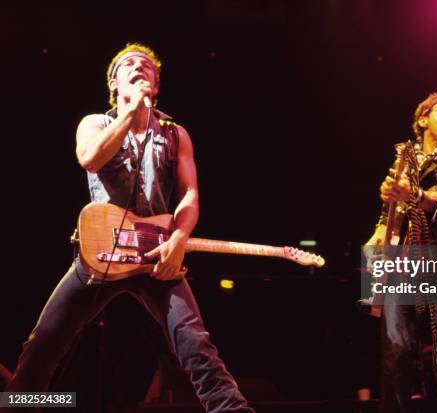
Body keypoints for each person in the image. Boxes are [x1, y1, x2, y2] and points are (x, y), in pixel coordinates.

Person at [6, 43, 254, 413]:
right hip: (100, 255)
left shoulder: (175, 134)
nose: (140, 67)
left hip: (156, 254)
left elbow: (190, 196)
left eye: (148, 67)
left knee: (196, 346)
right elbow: (89, 159)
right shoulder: (95, 123)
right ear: (114, 82)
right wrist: (130, 114)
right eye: (129, 65)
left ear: (156, 85)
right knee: (43, 345)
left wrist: (179, 240)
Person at [366, 90, 437, 413]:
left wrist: (414, 194)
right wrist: (379, 230)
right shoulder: (405, 157)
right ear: (423, 120)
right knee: (395, 352)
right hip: (403, 263)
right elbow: (391, 214)